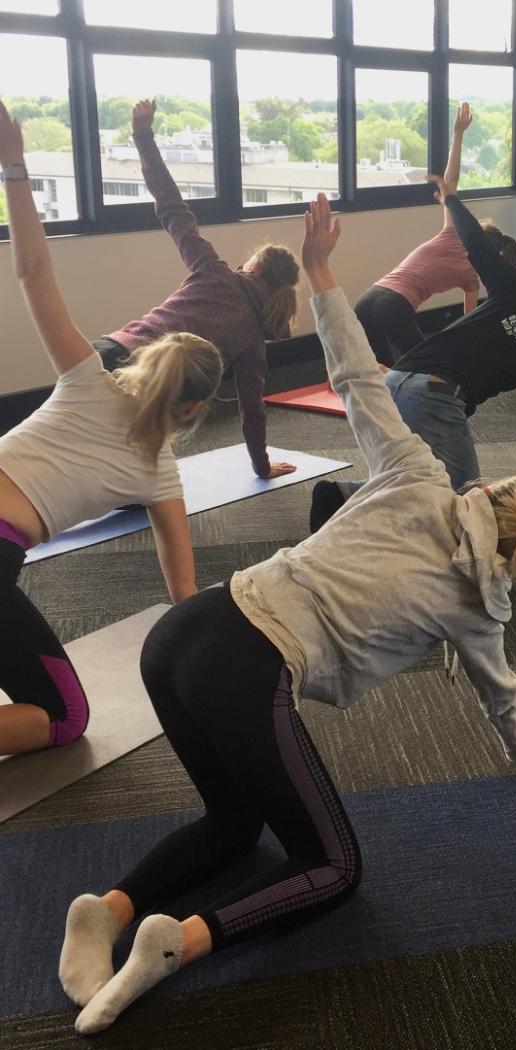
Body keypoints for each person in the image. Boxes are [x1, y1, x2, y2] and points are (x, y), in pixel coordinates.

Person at [59, 194, 516, 1035]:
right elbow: (502, 695)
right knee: (332, 865)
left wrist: (326, 270)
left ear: (486, 490)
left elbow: (357, 377)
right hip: (245, 671)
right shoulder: (483, 610)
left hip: (183, 631)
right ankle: (177, 944)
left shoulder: (416, 472)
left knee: (234, 821)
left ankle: (109, 911)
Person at [0, 101, 222, 757]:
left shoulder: (86, 376)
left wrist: (14, 164)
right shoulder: (161, 476)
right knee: (63, 720)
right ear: (193, 410)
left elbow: (33, 271)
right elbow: (182, 595)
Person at [309, 168, 516, 530]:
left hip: (399, 377)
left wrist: (452, 197)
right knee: (464, 500)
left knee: (416, 475)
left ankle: (340, 498)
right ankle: (343, 497)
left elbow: (476, 243)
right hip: (435, 397)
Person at [94, 100, 299, 480]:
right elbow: (251, 407)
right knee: (130, 477)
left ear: (252, 266)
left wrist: (143, 136)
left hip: (106, 355)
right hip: (148, 396)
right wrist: (262, 466)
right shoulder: (253, 338)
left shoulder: (215, 271)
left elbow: (173, 209)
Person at [354, 102, 516, 366]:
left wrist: (458, 133)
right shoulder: (471, 276)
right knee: (427, 364)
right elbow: (470, 321)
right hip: (393, 306)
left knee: (381, 372)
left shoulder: (453, 233)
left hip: (367, 299)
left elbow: (450, 182)